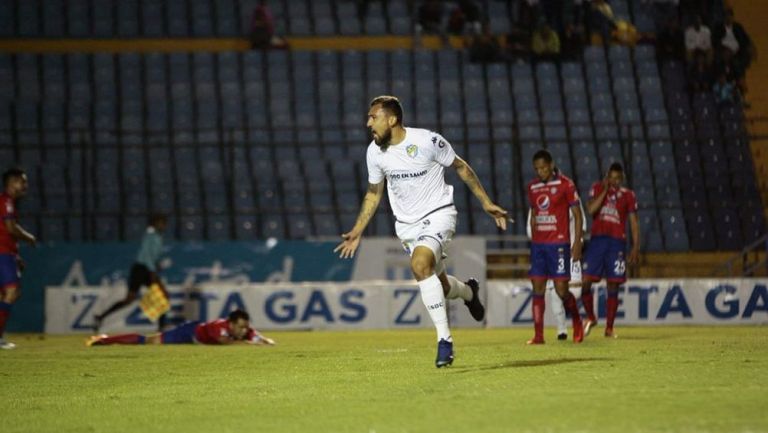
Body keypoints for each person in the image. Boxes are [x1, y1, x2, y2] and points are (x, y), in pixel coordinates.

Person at [334, 95, 508, 368]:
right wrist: (357, 230)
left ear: (391, 119)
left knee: (419, 264)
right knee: (441, 284)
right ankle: (469, 293)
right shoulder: (374, 152)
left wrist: (486, 203)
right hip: (407, 227)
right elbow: (373, 193)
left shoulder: (428, 141)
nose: (369, 123)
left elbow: (460, 167)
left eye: (373, 117)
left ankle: (444, 341)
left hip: (439, 215)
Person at [526, 150, 584, 344]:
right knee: (538, 287)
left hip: (559, 245)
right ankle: (538, 335)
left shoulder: (566, 184)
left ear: (551, 165)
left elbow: (577, 215)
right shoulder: (533, 187)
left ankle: (576, 321)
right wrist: (534, 236)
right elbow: (534, 213)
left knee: (561, 290)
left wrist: (577, 244)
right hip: (539, 247)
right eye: (537, 169)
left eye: (543, 167)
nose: (540, 171)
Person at [580, 163, 640, 338]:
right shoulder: (597, 188)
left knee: (613, 284)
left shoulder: (628, 195)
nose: (613, 181)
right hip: (597, 241)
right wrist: (604, 191)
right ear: (606, 176)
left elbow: (634, 223)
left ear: (621, 179)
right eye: (611, 177)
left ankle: (610, 327)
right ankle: (591, 317)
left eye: (617, 178)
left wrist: (635, 247)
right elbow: (591, 210)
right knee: (585, 281)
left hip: (616, 243)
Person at [93, 214, 169, 332]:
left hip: (144, 269)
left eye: (164, 223)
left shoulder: (158, 237)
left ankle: (162, 326)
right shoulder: (150, 235)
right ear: (154, 223)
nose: (164, 225)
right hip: (141, 269)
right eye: (161, 222)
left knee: (159, 295)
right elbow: (147, 255)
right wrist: (153, 271)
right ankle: (162, 327)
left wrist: (157, 265)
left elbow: (151, 256)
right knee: (134, 298)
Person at [87, 310, 275, 346]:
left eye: (245, 327)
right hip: (189, 333)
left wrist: (265, 341)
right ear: (231, 323)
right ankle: (104, 340)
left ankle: (104, 339)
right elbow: (225, 342)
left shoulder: (242, 330)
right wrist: (250, 344)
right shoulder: (220, 327)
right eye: (241, 327)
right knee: (149, 341)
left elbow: (257, 336)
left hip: (196, 338)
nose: (244, 331)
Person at [0, 168, 36, 350]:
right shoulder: (6, 201)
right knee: (11, 292)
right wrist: (29, 237)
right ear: (12, 182)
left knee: (9, 293)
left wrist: (16, 255)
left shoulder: (7, 201)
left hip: (7, 253)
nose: (25, 186)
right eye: (22, 181)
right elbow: (10, 228)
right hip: (2, 253)